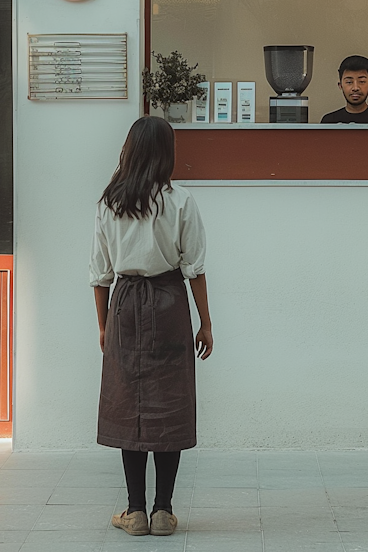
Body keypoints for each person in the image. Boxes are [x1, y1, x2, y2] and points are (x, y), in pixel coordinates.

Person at [90, 115, 213, 538]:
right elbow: (194, 267)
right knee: (170, 402)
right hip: (169, 302)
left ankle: (135, 511)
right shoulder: (180, 201)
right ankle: (164, 511)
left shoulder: (109, 202)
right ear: (167, 153)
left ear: (130, 150)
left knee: (129, 403)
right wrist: (205, 324)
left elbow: (99, 273)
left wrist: (104, 326)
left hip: (124, 303)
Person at [320, 54, 368, 124]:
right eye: (349, 82)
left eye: (362, 81)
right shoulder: (329, 121)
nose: (355, 88)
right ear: (340, 85)